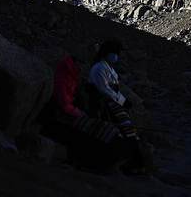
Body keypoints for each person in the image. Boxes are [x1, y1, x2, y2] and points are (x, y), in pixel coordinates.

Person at [46, 50, 128, 173]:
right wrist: (81, 113)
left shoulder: (72, 80)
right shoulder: (62, 81)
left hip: (71, 116)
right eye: (79, 64)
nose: (81, 67)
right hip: (62, 119)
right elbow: (64, 106)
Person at [88, 40, 145, 174]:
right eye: (113, 53)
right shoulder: (99, 68)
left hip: (114, 102)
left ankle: (134, 162)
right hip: (105, 103)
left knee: (129, 131)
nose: (116, 56)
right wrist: (122, 101)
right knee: (124, 130)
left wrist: (123, 100)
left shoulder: (109, 68)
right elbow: (104, 89)